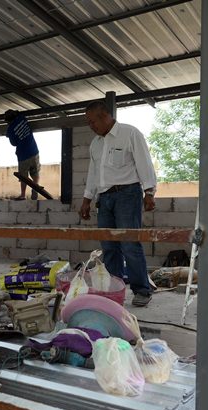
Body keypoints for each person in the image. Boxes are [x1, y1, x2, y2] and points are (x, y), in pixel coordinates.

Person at [78, 101, 157, 307]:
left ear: (105, 116)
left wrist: (149, 192)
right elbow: (93, 174)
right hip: (104, 199)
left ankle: (141, 290)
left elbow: (144, 163)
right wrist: (87, 199)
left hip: (127, 195)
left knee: (130, 244)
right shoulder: (96, 143)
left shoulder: (130, 133)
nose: (91, 126)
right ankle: (115, 290)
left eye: (92, 121)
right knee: (109, 246)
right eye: (88, 122)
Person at [4, 109, 40, 200]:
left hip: (23, 155)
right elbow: (19, 113)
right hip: (34, 151)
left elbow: (14, 143)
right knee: (35, 172)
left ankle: (23, 194)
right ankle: (35, 188)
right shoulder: (21, 118)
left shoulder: (10, 129)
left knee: (23, 176)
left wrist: (9, 133)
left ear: (8, 121)